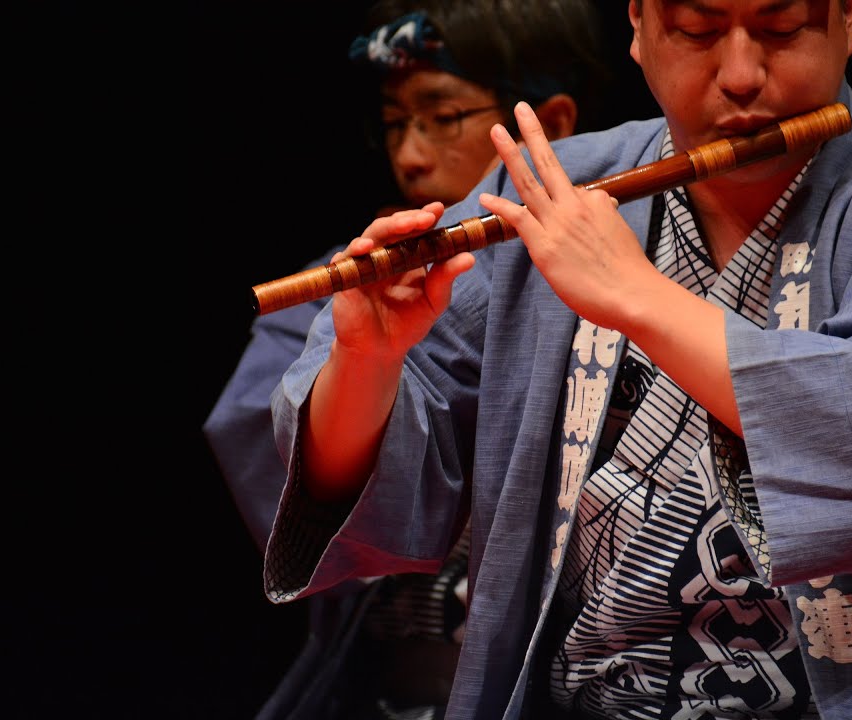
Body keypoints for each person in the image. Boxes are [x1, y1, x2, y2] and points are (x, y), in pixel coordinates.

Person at [263, 0, 852, 718]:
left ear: (847, 18)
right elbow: (377, 473)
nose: (743, 74)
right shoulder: (552, 193)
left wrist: (637, 297)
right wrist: (367, 357)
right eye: (697, 31)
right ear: (638, 26)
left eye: (782, 29)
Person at [203, 1, 611, 717]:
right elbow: (271, 458)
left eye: (442, 116)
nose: (412, 154)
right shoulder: (345, 285)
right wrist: (365, 370)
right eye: (396, 123)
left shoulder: (625, 281)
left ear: (554, 125)